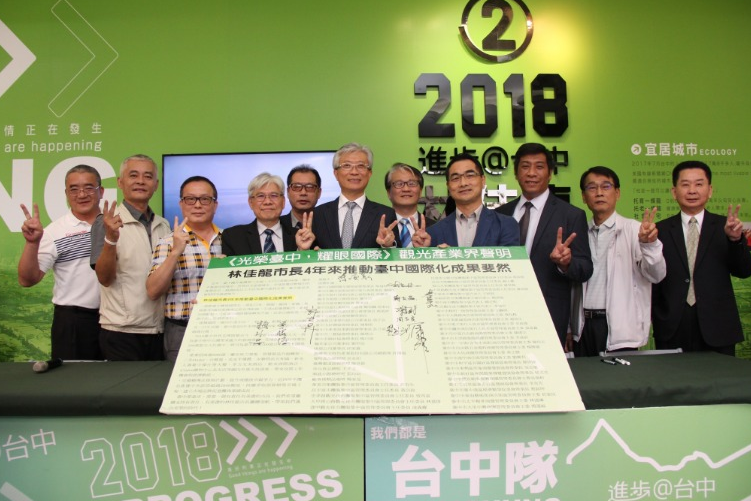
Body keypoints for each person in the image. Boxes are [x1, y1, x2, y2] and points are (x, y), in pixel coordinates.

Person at [497, 143, 593, 346]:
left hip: (549, 313)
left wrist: (565, 263)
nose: (531, 173)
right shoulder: (500, 214)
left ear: (550, 173)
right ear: (516, 173)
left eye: (539, 167)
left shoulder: (571, 215)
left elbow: (585, 268)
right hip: (504, 314)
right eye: (525, 166)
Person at [652, 160, 751, 356]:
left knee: (720, 376)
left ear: (710, 190)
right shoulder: (659, 230)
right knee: (673, 376)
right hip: (672, 326)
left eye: (699, 184)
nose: (692, 191)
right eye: (685, 184)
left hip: (718, 326)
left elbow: (743, 271)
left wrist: (734, 240)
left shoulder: (727, 227)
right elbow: (653, 279)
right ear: (674, 192)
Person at [570, 166, 666, 356]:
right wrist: (569, 327)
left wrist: (649, 245)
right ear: (583, 196)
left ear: (617, 193)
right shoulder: (578, 233)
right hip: (582, 326)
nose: (599, 193)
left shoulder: (635, 230)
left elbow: (656, 275)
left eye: (606, 186)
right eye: (592, 187)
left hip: (618, 327)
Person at [17, 164, 105, 360]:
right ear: (66, 194)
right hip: (73, 322)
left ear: (101, 191)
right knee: (73, 379)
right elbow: (27, 279)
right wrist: (32, 243)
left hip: (115, 321)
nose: (81, 194)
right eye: (74, 189)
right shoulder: (54, 232)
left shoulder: (115, 225)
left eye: (89, 187)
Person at [90, 154, 171, 361]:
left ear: (156, 185)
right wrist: (110, 239)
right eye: (133, 175)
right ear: (120, 182)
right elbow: (104, 278)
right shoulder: (106, 222)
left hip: (158, 329)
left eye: (148, 176)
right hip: (121, 331)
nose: (141, 181)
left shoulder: (164, 225)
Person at [146, 176, 222, 361]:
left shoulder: (229, 239)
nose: (198, 205)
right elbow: (153, 291)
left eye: (205, 199)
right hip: (181, 330)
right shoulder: (167, 242)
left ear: (215, 205)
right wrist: (175, 252)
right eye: (190, 199)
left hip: (222, 329)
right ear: (181, 204)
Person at [312, 142, 400, 249]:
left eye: (361, 166)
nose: (354, 172)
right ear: (336, 174)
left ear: (369, 173)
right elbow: (309, 253)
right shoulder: (318, 214)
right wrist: (303, 249)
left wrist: (388, 245)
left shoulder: (386, 215)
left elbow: (397, 256)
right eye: (347, 166)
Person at [425, 153, 519, 247]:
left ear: (483, 180)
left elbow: (510, 256)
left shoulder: (506, 225)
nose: (463, 183)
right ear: (448, 186)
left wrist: (452, 255)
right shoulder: (433, 232)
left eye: (470, 175)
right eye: (455, 178)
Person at [222, 172, 315, 256]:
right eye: (260, 196)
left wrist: (303, 251)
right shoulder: (233, 237)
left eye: (273, 196)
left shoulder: (300, 236)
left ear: (283, 202)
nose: (267, 202)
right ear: (250, 202)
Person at [385, 163, 435, 248]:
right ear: (389, 192)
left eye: (412, 183)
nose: (406, 189)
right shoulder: (378, 227)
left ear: (420, 191)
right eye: (399, 184)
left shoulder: (435, 228)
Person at [281, 165, 322, 231]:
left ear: (319, 193)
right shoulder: (277, 225)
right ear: (288, 192)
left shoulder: (330, 225)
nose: (303, 193)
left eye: (310, 187)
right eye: (297, 187)